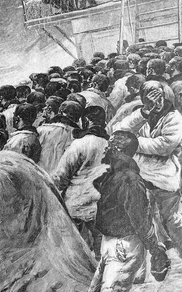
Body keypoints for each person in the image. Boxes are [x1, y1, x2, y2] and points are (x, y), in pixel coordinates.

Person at [116, 81, 182, 274]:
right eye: (148, 96)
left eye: (157, 96)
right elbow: (118, 131)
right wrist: (144, 113)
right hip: (140, 178)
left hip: (164, 178)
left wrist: (133, 144)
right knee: (143, 222)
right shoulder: (141, 114)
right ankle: (146, 266)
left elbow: (164, 146)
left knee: (171, 219)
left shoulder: (173, 117)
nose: (154, 101)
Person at [88, 130, 168, 292]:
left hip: (124, 246)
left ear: (119, 150)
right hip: (112, 244)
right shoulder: (113, 174)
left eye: (110, 145)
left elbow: (140, 219)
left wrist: (154, 248)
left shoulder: (129, 179)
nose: (105, 148)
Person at [51, 106, 111, 257]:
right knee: (100, 242)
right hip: (99, 201)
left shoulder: (80, 144)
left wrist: (55, 189)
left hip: (75, 201)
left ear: (86, 121)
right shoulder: (109, 145)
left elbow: (62, 174)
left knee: (71, 244)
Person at [38, 100, 84, 172]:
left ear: (60, 112)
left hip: (41, 176)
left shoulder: (41, 129)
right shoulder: (77, 135)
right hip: (60, 177)